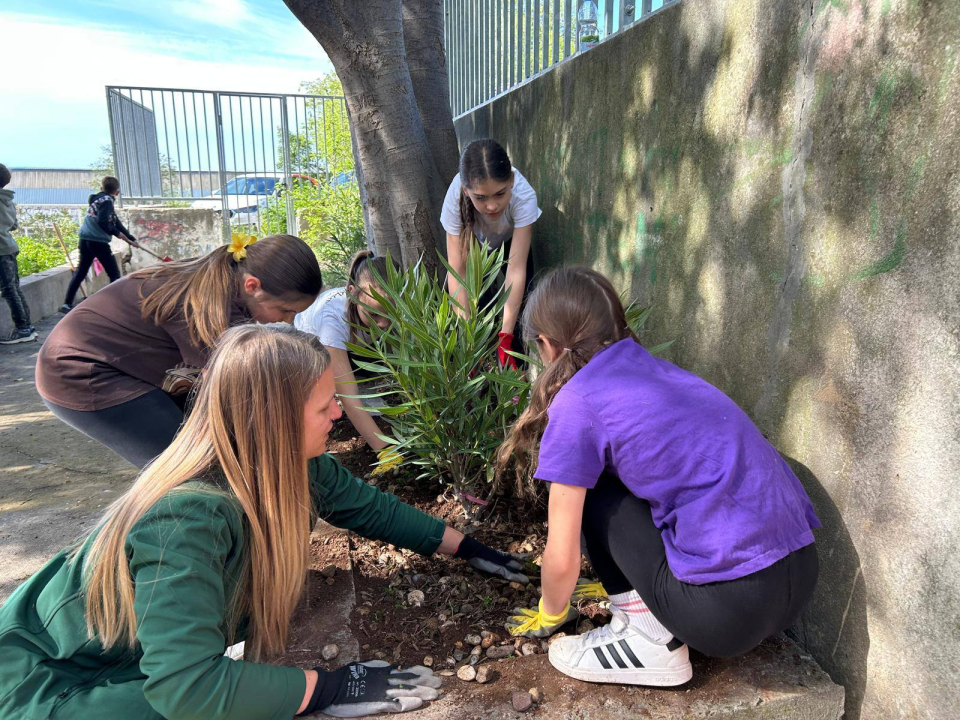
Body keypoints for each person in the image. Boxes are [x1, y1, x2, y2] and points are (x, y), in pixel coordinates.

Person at [0, 324, 528, 720]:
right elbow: (187, 689)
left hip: (124, 665)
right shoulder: (187, 516)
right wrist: (327, 689)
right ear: (272, 420)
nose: (339, 415)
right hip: (47, 686)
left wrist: (472, 549)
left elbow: (370, 508)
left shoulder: (290, 464)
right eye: (325, 406)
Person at [499, 267, 820, 687]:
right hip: (800, 577)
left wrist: (552, 613)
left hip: (727, 614)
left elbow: (562, 550)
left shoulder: (577, 402)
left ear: (547, 345)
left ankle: (648, 643)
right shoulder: (653, 368)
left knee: (596, 495)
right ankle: (651, 608)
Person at [36, 233, 323, 469]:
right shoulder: (210, 312)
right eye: (285, 310)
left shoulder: (224, 278)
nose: (288, 321)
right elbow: (237, 394)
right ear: (253, 286)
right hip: (79, 373)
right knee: (192, 469)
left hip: (117, 362)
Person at [296, 250, 401, 474]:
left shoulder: (396, 307)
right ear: (352, 294)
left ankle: (368, 388)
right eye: (374, 314)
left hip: (356, 350)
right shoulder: (333, 320)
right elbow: (348, 395)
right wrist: (384, 450)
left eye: (391, 312)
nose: (383, 323)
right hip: (307, 355)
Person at [441, 139, 541, 370]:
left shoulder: (524, 196)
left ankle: (516, 375)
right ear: (466, 191)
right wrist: (468, 337)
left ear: (512, 181)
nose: (492, 206)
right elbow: (457, 273)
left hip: (510, 243)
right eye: (481, 198)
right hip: (475, 248)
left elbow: (516, 271)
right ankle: (480, 375)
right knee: (479, 308)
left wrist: (505, 338)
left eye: (499, 194)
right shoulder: (453, 201)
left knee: (523, 308)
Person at [60, 176, 141, 314]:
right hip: (97, 241)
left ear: (101, 188)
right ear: (117, 192)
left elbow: (114, 221)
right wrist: (117, 233)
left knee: (81, 271)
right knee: (114, 273)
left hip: (85, 239)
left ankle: (67, 303)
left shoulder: (97, 199)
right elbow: (104, 222)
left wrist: (130, 237)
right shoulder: (107, 202)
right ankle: (117, 306)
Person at [0, 163, 37, 345]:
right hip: (10, 248)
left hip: (1, 251)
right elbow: (14, 225)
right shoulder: (8, 200)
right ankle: (27, 327)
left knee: (8, 290)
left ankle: (23, 330)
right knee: (14, 288)